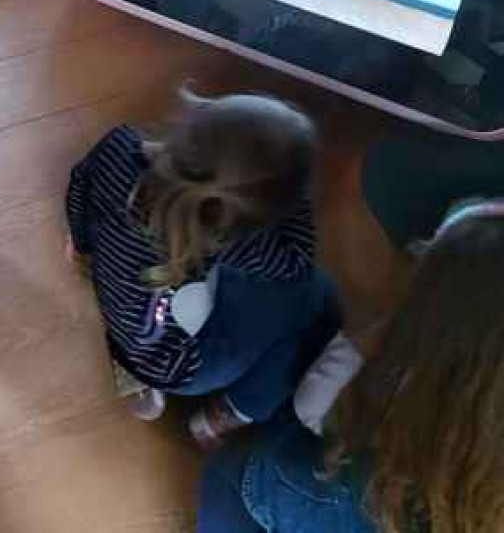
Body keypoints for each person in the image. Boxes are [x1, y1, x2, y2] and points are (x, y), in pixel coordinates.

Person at [198, 199, 504, 533]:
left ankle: (227, 422)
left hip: (365, 501)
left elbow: (310, 407)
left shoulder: (401, 373)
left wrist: (372, 337)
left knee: (233, 471)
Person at [66, 88, 340, 448]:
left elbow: (79, 183)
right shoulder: (229, 237)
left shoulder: (120, 146)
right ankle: (228, 412)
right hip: (184, 367)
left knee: (145, 304)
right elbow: (296, 266)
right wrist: (297, 199)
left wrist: (84, 245)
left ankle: (134, 377)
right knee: (315, 300)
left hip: (126, 324)